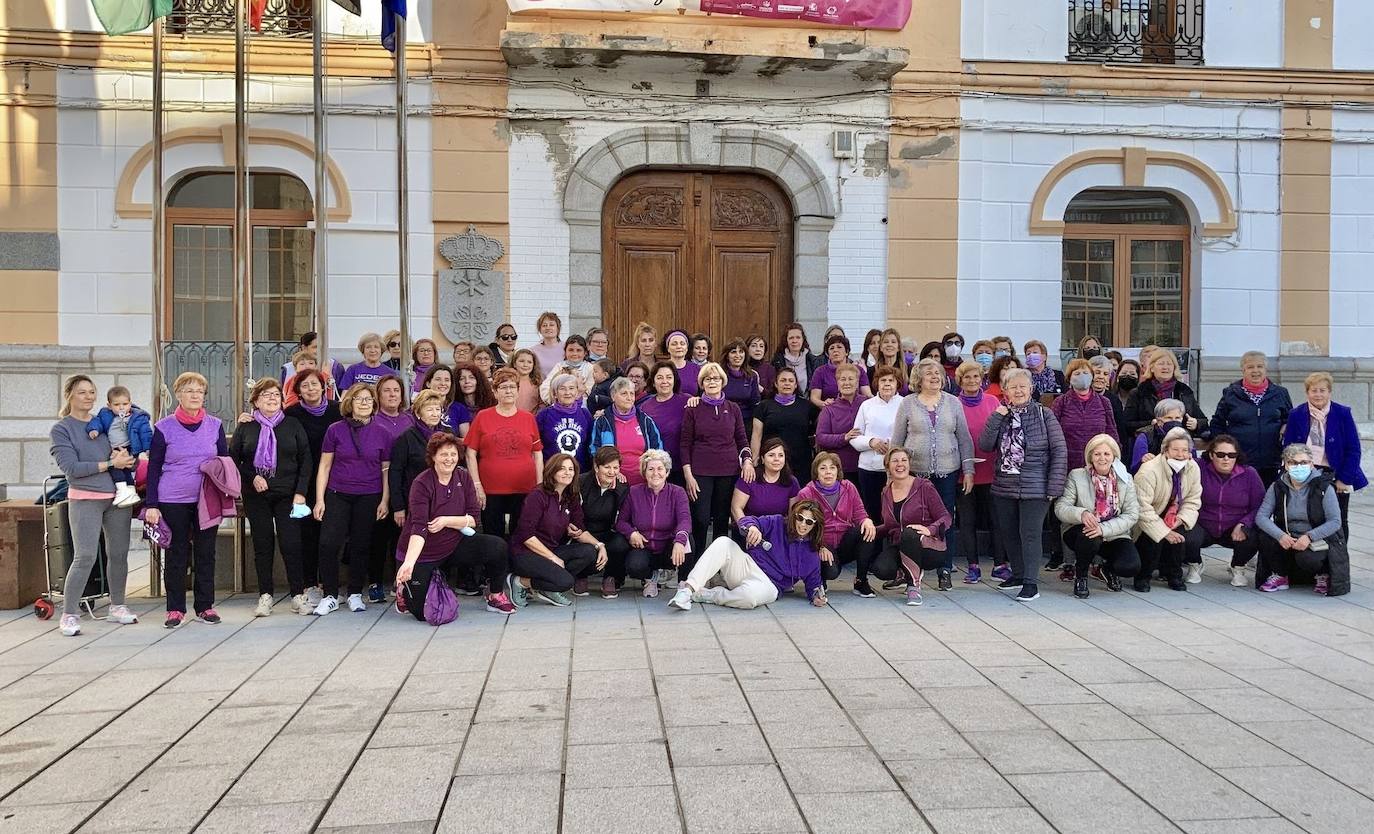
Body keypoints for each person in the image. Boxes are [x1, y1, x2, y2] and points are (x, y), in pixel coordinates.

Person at [49, 375, 139, 636]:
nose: (88, 397)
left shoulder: (107, 419)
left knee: (119, 554)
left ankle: (118, 606)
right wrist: (111, 464)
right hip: (85, 498)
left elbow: (127, 458)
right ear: (70, 396)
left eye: (91, 392)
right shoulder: (62, 429)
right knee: (85, 556)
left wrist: (126, 459)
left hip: (118, 498)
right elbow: (72, 469)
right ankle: (69, 614)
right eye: (82, 392)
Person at [394, 432, 517, 619]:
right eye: (444, 454)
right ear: (433, 456)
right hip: (423, 552)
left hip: (453, 544)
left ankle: (495, 594)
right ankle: (404, 590)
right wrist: (409, 563)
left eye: (453, 454)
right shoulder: (422, 483)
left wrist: (446, 520)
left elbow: (474, 519)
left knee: (497, 546)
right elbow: (419, 527)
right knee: (422, 614)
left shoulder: (463, 477)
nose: (449, 459)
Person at [144, 372, 231, 628]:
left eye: (199, 391)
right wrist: (152, 504)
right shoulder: (164, 427)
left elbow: (224, 463)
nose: (195, 395)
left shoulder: (215, 425)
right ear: (178, 395)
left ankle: (205, 606)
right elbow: (153, 467)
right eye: (189, 390)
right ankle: (175, 609)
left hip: (207, 499)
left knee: (206, 553)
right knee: (176, 553)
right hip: (173, 498)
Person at [977, 368, 1067, 602]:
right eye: (1012, 387)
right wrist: (997, 416)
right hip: (1004, 484)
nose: (1018, 391)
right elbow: (986, 445)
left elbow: (1059, 450)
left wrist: (1054, 486)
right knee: (1009, 533)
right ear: (1004, 391)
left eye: (1022, 386)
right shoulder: (1001, 415)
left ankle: (1030, 583)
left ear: (1031, 389)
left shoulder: (1044, 414)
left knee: (1030, 534)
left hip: (1036, 486)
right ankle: (1017, 574)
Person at [230, 378, 312, 617]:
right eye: (266, 395)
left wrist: (300, 492)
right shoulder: (246, 426)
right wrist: (252, 476)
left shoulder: (293, 424)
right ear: (255, 400)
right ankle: (265, 596)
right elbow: (234, 459)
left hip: (288, 494)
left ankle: (298, 594)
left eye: (276, 394)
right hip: (256, 495)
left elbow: (306, 459)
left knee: (291, 544)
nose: (272, 398)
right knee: (262, 544)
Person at [891, 358, 975, 590]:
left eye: (938, 373)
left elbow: (965, 439)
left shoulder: (953, 403)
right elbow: (897, 440)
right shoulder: (908, 403)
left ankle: (944, 569)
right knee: (912, 521)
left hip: (947, 473)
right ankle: (910, 570)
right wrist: (892, 473)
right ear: (919, 379)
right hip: (915, 473)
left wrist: (968, 470)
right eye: (929, 374)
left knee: (945, 519)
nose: (935, 377)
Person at [312, 383, 391, 615]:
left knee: (360, 544)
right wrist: (319, 499)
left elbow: (386, 469)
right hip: (338, 493)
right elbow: (324, 466)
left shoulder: (383, 432)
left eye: (368, 399)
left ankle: (355, 593)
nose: (364, 403)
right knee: (329, 543)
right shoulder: (335, 429)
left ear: (374, 403)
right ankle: (330, 594)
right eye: (359, 399)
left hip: (369, 494)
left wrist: (385, 500)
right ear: (350, 403)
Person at [668, 500, 828, 611]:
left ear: (815, 525)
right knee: (723, 542)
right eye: (800, 518)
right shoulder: (778, 522)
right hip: (748, 565)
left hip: (770, 585)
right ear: (794, 516)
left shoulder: (812, 552)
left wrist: (816, 596)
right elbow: (748, 521)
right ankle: (687, 591)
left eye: (809, 522)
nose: (802, 524)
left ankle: (708, 595)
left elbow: (813, 584)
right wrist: (752, 527)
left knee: (749, 599)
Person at [505, 454, 606, 608]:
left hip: (551, 549)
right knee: (566, 582)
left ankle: (549, 587)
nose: (567, 473)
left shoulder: (570, 496)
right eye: (562, 469)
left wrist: (600, 545)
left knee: (590, 552)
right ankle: (520, 582)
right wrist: (553, 558)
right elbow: (526, 535)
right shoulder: (538, 495)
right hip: (526, 553)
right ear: (552, 471)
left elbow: (580, 529)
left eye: (571, 469)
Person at [1254, 443, 1350, 597]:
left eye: (1303, 462)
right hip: (1288, 534)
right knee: (1265, 536)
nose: (1299, 466)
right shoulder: (1277, 487)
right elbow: (1261, 517)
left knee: (1308, 558)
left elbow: (1335, 521)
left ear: (1311, 464)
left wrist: (1309, 536)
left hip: (1317, 538)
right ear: (1285, 465)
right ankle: (1280, 575)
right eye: (1293, 462)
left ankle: (1322, 574)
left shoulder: (1324, 487)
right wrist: (1281, 535)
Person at [681, 362, 755, 557]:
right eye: (707, 378)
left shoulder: (733, 409)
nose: (712, 381)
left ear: (723, 382)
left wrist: (747, 460)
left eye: (715, 378)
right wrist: (688, 475)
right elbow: (685, 444)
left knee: (722, 521)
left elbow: (742, 439)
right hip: (700, 473)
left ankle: (719, 564)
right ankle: (696, 565)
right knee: (701, 519)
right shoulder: (692, 409)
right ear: (701, 383)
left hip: (728, 471)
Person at [1054, 434, 1141, 598]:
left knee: (1131, 566)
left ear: (1114, 456)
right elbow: (1060, 507)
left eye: (1107, 454)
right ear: (1090, 457)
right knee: (1090, 536)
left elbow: (1132, 514)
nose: (1102, 458)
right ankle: (1081, 576)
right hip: (1080, 531)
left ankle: (1105, 570)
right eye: (1097, 454)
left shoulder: (1126, 479)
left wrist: (1104, 528)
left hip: (1113, 533)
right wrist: (1081, 513)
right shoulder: (1077, 475)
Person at [1283, 371, 1365, 540]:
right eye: (1314, 390)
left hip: (1336, 473)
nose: (1318, 394)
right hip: (1306, 473)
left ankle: (1338, 558)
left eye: (1322, 390)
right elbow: (1288, 447)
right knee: (1311, 516)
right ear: (1307, 392)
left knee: (1339, 518)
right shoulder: (1296, 414)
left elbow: (1353, 448)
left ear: (1329, 392)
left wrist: (1345, 479)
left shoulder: (1342, 413)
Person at [285, 368, 342, 607]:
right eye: (305, 386)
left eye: (315, 384)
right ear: (298, 391)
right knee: (306, 532)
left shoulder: (336, 410)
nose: (311, 389)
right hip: (303, 480)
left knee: (328, 533)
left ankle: (327, 582)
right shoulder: (292, 414)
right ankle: (310, 582)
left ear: (323, 386)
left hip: (333, 477)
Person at [466, 368, 544, 539]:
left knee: (522, 534)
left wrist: (540, 486)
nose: (508, 391)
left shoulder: (528, 418)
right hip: (491, 490)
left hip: (525, 488)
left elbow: (537, 454)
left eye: (512, 387)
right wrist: (477, 484)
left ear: (517, 391)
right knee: (493, 536)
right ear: (494, 392)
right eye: (503, 387)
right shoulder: (482, 416)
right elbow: (470, 453)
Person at [1133, 427, 1203, 592]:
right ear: (1165, 450)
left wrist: (1180, 520)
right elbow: (1142, 508)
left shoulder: (1193, 468)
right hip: (1150, 517)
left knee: (1181, 536)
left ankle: (1174, 575)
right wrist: (1164, 532)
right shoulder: (1149, 470)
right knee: (1153, 539)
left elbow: (1193, 500)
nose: (1180, 454)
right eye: (1175, 450)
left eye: (1185, 450)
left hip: (1176, 514)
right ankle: (1143, 576)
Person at [615, 449, 692, 597]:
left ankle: (683, 582)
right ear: (644, 473)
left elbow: (685, 520)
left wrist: (679, 541)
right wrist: (631, 533)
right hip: (645, 547)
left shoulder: (678, 492)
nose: (655, 473)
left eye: (660, 469)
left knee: (688, 541)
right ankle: (651, 578)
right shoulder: (634, 492)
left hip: (669, 546)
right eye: (650, 469)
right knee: (634, 566)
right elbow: (621, 522)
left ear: (667, 472)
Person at [954, 361, 1003, 584]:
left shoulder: (993, 401)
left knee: (996, 518)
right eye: (967, 377)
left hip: (991, 469)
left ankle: (1000, 564)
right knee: (967, 520)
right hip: (964, 472)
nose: (972, 381)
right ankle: (972, 566)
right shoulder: (953, 404)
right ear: (960, 381)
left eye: (976, 377)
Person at [1211, 351, 1292, 486]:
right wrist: (1225, 449)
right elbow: (1217, 423)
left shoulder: (1280, 393)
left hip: (1270, 462)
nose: (1255, 371)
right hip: (1240, 462)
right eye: (1250, 367)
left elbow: (1290, 418)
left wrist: (1286, 425)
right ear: (1243, 370)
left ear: (1266, 369)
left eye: (1259, 366)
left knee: (1268, 503)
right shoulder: (1231, 393)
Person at [1196, 435, 1265, 588]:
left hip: (1234, 527)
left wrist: (1243, 523)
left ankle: (1238, 566)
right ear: (1212, 455)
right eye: (1220, 455)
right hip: (1204, 524)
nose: (1226, 459)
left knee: (1253, 535)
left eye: (1231, 455)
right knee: (1186, 535)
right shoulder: (1199, 468)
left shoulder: (1249, 474)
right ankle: (1195, 563)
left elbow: (1260, 505)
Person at [796, 452, 875, 585]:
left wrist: (867, 520)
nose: (828, 472)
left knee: (866, 530)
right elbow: (802, 528)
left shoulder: (848, 487)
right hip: (821, 542)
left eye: (832, 468)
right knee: (832, 572)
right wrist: (819, 546)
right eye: (823, 468)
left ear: (838, 471)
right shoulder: (806, 493)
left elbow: (859, 512)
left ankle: (861, 581)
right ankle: (819, 580)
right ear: (816, 472)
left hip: (845, 542)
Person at [850, 365, 905, 519]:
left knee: (896, 515)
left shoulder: (905, 404)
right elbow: (855, 437)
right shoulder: (866, 405)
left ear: (897, 384)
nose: (887, 384)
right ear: (877, 383)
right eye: (883, 380)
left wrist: (892, 445)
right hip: (869, 468)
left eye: (891, 380)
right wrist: (871, 442)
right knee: (872, 514)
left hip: (897, 468)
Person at [84, 384, 151, 508]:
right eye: (116, 405)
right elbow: (97, 422)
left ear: (130, 403)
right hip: (114, 448)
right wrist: (94, 430)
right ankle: (129, 491)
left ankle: (123, 490)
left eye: (125, 404)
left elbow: (146, 433)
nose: (121, 408)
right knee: (119, 468)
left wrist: (148, 448)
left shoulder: (138, 417)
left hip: (130, 448)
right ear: (109, 405)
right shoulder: (105, 415)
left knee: (121, 468)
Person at [588, 377, 662, 486]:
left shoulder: (646, 421)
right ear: (613, 396)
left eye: (632, 394)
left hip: (643, 482)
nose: (629, 398)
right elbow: (594, 451)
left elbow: (658, 451)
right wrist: (613, 473)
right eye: (624, 394)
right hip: (613, 482)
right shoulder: (602, 422)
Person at [578, 446, 631, 597]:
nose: (611, 472)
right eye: (607, 467)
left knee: (620, 543)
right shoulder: (581, 482)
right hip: (584, 532)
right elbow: (575, 518)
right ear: (596, 466)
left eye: (616, 467)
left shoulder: (622, 486)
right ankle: (581, 576)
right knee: (583, 547)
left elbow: (623, 518)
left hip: (608, 531)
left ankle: (611, 578)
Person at [1122, 349, 1207, 440]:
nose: (1165, 367)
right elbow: (1127, 424)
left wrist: (1196, 424)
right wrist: (1150, 423)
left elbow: (1204, 421)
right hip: (1150, 444)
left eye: (1169, 364)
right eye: (1161, 364)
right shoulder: (1139, 392)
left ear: (1174, 368)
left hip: (1181, 443)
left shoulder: (1184, 391)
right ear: (1152, 368)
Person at [750, 366, 813, 478]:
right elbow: (756, 435)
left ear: (796, 385)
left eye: (791, 381)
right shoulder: (764, 406)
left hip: (801, 461)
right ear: (776, 384)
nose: (787, 383)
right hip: (772, 461)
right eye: (783, 380)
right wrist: (754, 460)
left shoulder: (807, 406)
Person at [731, 437, 801, 532]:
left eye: (780, 455)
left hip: (778, 531)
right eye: (771, 455)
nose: (776, 459)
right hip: (750, 530)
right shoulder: (749, 477)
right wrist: (748, 527)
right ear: (763, 459)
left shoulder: (792, 481)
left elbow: (793, 514)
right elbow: (736, 508)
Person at [814, 363, 868, 484]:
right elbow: (821, 437)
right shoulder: (829, 408)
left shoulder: (867, 404)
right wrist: (844, 437)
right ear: (837, 383)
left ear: (857, 383)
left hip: (866, 467)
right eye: (842, 379)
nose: (846, 383)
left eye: (850, 379)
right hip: (840, 469)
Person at [640, 361, 691, 485]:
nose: (665, 381)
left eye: (669, 377)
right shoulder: (644, 407)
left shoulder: (688, 401)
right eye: (659, 377)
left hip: (683, 467)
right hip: (656, 470)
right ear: (653, 382)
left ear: (674, 380)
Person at [536, 373, 592, 468]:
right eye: (562, 389)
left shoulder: (585, 414)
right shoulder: (543, 415)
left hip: (580, 472)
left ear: (577, 392)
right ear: (555, 393)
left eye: (571, 388)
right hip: (552, 471)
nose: (567, 392)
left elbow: (590, 444)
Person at [1128, 399, 1188, 474]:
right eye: (1169, 418)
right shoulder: (1145, 436)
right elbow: (1134, 469)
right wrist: (1143, 460)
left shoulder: (1185, 436)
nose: (1174, 421)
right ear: (1159, 421)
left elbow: (1192, 463)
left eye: (1177, 418)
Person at [809, 334, 871, 407]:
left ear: (846, 352)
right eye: (832, 348)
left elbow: (867, 395)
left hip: (855, 411)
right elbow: (814, 397)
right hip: (829, 411)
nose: (835, 350)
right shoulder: (820, 371)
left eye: (839, 347)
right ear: (827, 354)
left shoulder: (858, 370)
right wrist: (824, 403)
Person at [539, 335, 596, 403]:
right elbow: (545, 386)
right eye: (571, 350)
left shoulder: (590, 368)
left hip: (581, 406)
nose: (575, 353)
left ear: (585, 353)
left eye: (579, 350)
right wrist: (553, 400)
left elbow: (588, 391)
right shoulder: (559, 366)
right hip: (559, 404)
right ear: (565, 351)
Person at [772, 322, 822, 395]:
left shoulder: (812, 360)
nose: (794, 341)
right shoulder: (777, 361)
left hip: (807, 403)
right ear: (786, 341)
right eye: (791, 338)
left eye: (798, 337)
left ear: (803, 340)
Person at [1088, 355, 1127, 449]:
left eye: (1105, 374)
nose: (1101, 377)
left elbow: (1120, 430)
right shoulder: (1082, 396)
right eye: (1097, 372)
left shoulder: (1113, 400)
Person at [720, 339, 762, 427]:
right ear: (727, 355)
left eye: (741, 351)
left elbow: (755, 403)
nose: (738, 355)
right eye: (733, 352)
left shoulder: (752, 376)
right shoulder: (719, 374)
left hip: (746, 421)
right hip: (723, 419)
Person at [280, 330, 344, 384]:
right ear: (304, 348)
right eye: (315, 347)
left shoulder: (335, 367)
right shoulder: (288, 369)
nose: (320, 350)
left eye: (322, 347)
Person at [451, 363, 495, 434]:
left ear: (478, 381)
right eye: (462, 379)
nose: (467, 381)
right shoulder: (453, 407)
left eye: (471, 377)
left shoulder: (491, 403)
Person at [663, 329, 700, 396]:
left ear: (687, 348)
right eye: (674, 344)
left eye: (682, 344)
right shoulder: (661, 368)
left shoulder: (696, 369)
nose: (679, 346)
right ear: (668, 348)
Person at [529, 311, 565, 376]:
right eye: (544, 325)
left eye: (551, 325)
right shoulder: (533, 351)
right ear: (540, 329)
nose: (548, 328)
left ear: (558, 328)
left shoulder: (566, 348)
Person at [876, 329, 910, 394]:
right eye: (886, 342)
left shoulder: (909, 369)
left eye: (893, 342)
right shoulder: (872, 371)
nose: (889, 344)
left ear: (898, 348)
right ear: (880, 347)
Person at [509, 348, 543, 413]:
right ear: (514, 364)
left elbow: (541, 405)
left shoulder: (537, 383)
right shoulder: (507, 382)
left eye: (529, 362)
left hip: (530, 419)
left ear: (533, 365)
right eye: (521, 361)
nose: (525, 365)